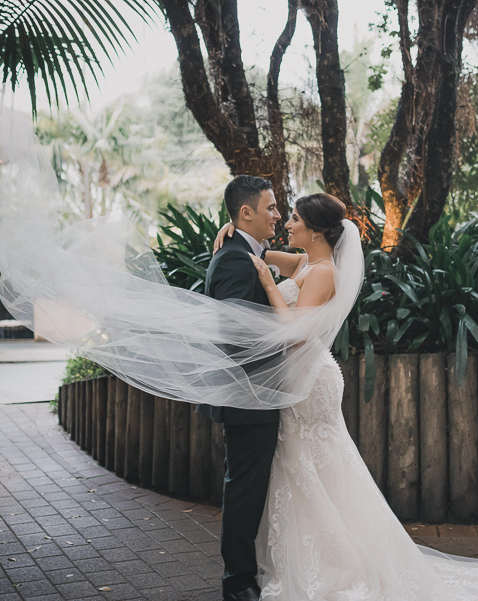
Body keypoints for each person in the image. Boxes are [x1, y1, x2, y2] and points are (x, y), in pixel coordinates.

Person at [212, 192, 478, 601]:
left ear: (316, 230)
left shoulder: (324, 272)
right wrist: (234, 232)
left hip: (309, 380)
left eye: (293, 219)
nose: (287, 224)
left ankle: (335, 563)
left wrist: (271, 286)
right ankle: (311, 554)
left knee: (313, 465)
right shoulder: (308, 261)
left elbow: (295, 332)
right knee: (306, 467)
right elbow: (265, 255)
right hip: (300, 379)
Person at [198, 175, 283, 601]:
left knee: (248, 486)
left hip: (260, 394)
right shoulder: (234, 259)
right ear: (245, 212)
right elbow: (235, 333)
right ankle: (238, 583)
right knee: (244, 489)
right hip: (249, 394)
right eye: (270, 207)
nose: (278, 214)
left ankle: (247, 575)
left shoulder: (248, 251)